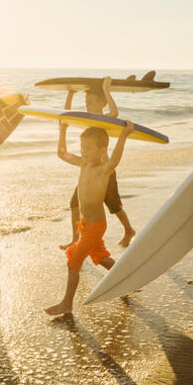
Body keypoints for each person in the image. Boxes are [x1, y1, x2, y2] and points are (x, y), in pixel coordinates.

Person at [44, 120, 135, 316]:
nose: (83, 151)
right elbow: (62, 153)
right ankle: (126, 279)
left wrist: (124, 135)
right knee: (101, 257)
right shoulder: (83, 163)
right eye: (82, 147)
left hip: (96, 226)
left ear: (103, 149)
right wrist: (63, 129)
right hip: (85, 224)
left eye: (88, 148)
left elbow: (115, 160)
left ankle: (66, 304)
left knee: (74, 260)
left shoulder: (104, 169)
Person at [59, 77, 137, 249]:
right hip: (89, 169)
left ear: (102, 103)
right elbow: (66, 118)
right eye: (86, 103)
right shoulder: (88, 121)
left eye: (91, 103)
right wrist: (70, 94)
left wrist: (106, 89)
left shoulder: (105, 118)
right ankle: (76, 238)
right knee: (74, 203)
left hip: (104, 172)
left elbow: (115, 112)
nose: (88, 106)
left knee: (114, 205)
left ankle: (129, 230)